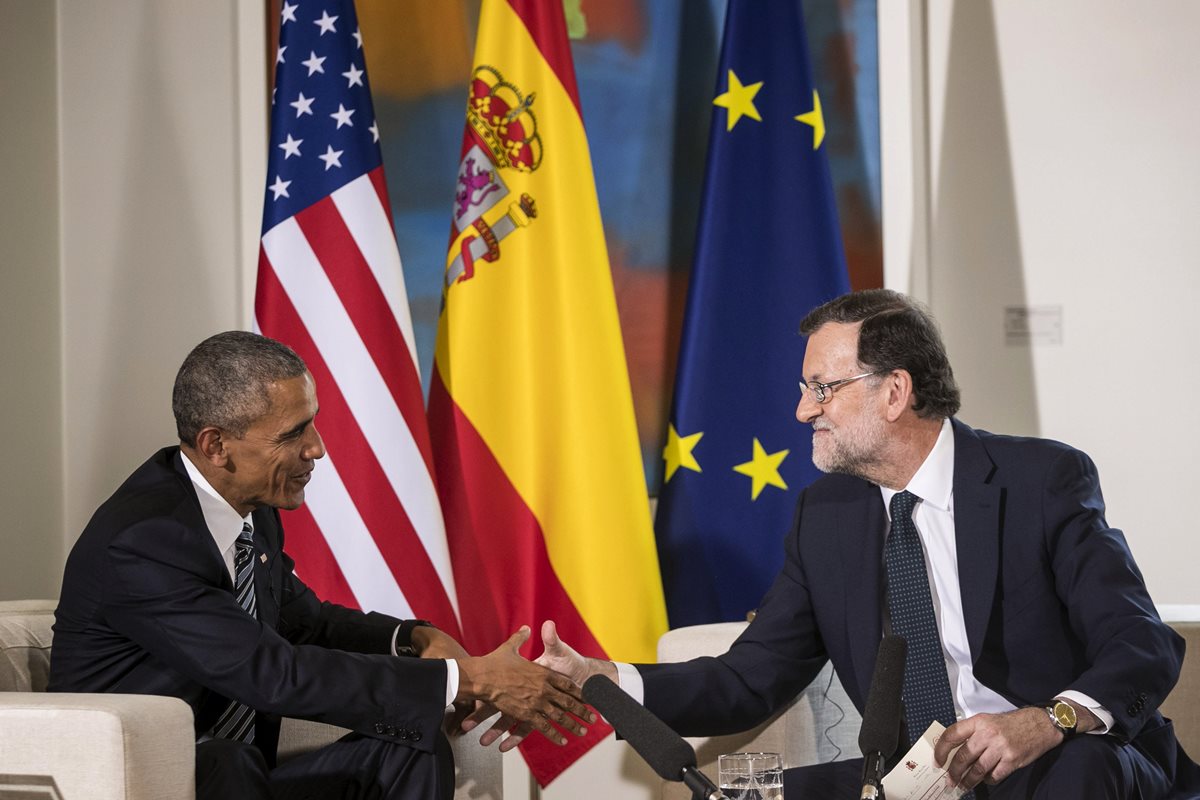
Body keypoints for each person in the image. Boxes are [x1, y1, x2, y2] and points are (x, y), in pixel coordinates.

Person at [536, 289, 1200, 798]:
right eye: (805, 389)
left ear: (895, 392)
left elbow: (1140, 642)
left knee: (1074, 772)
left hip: (1064, 759)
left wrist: (1046, 720)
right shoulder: (826, 516)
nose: (803, 411)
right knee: (747, 794)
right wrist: (608, 680)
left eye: (822, 389)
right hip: (921, 776)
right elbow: (748, 679)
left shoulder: (1041, 481)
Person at [49, 330, 593, 800]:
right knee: (226, 762)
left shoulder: (246, 511)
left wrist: (414, 638)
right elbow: (275, 675)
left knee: (408, 744)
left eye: (312, 424)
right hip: (146, 782)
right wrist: (468, 679)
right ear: (216, 445)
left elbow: (308, 622)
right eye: (293, 434)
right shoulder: (143, 540)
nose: (318, 449)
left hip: (239, 780)